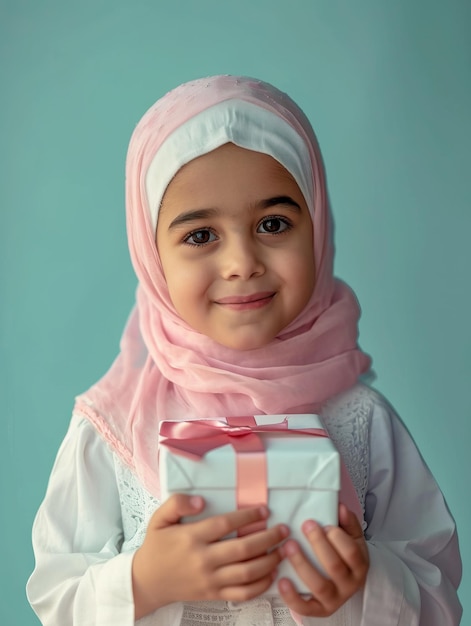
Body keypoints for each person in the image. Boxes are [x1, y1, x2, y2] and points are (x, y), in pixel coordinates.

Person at [26, 75, 462, 626]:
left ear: (318, 227)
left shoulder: (359, 420)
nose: (242, 263)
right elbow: (55, 597)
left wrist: (366, 581)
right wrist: (143, 582)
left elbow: (438, 593)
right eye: (201, 236)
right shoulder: (113, 425)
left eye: (273, 224)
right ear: (152, 255)